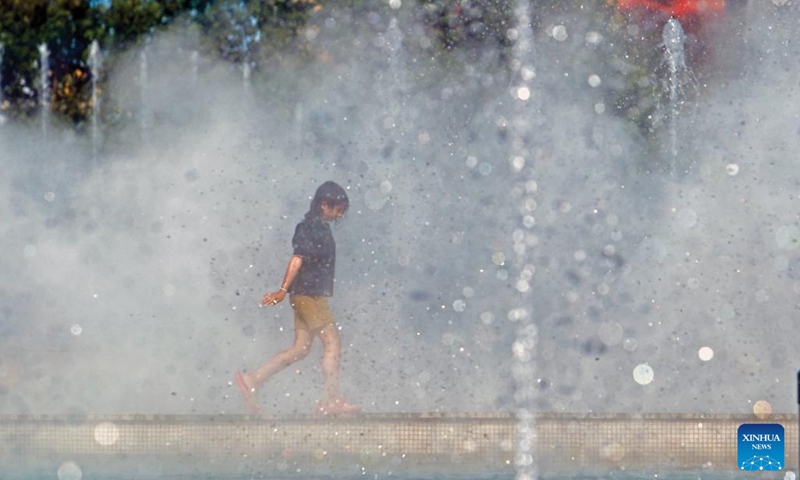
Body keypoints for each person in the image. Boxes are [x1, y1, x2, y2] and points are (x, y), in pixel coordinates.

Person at [235, 181, 361, 415]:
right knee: (333, 343)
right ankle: (332, 399)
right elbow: (297, 260)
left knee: (300, 349)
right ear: (324, 205)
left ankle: (252, 380)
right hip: (310, 296)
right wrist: (282, 290)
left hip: (306, 295)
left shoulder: (319, 227)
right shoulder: (310, 228)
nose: (340, 214)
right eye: (337, 208)